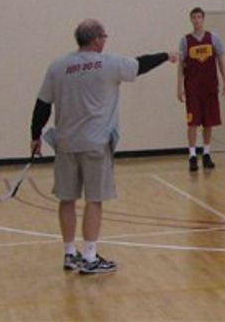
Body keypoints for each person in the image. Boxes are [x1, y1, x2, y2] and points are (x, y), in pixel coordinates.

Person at [30, 19, 177, 274]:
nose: (105, 41)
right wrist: (166, 55)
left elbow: (42, 104)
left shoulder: (58, 66)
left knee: (67, 199)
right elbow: (140, 64)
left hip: (65, 144)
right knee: (94, 200)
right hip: (95, 145)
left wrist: (35, 136)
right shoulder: (109, 63)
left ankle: (69, 253)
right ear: (97, 39)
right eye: (104, 37)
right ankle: (89, 257)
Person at [177, 7, 225, 171]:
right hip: (192, 88)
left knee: (209, 121)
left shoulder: (214, 38)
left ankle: (206, 153)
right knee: (192, 122)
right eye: (194, 17)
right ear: (191, 20)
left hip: (209, 86)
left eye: (199, 17)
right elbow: (181, 65)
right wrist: (179, 86)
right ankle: (192, 155)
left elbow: (221, 61)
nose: (197, 20)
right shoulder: (185, 40)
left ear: (203, 18)